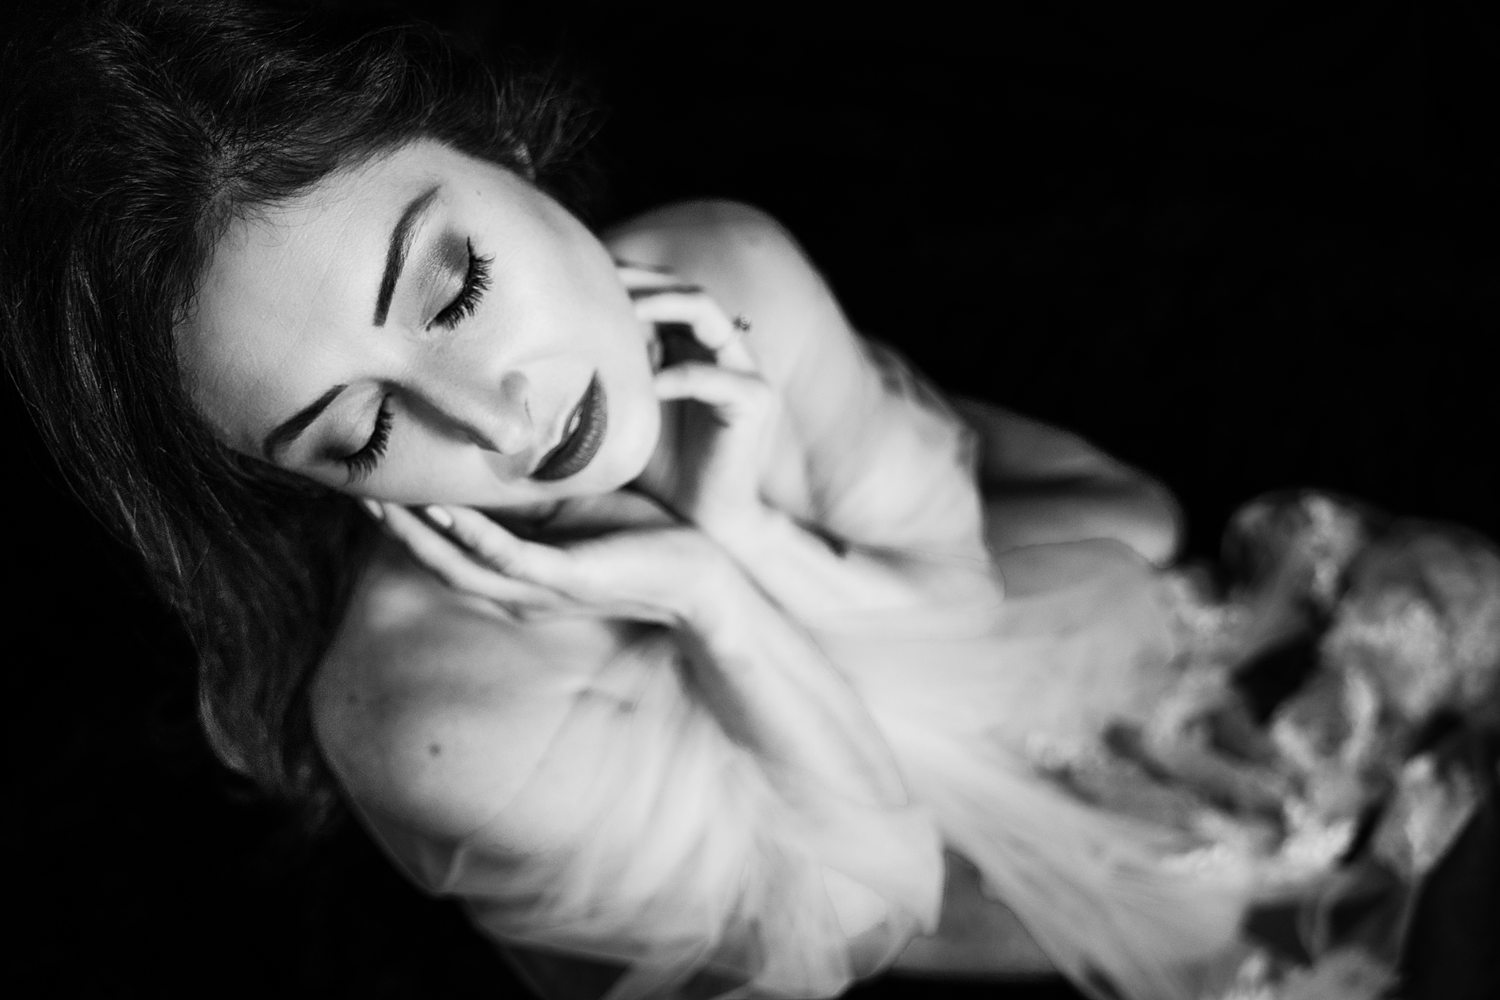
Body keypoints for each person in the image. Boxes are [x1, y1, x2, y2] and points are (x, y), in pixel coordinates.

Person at [5, 3, 1492, 999]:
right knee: (1212, 902)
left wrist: (747, 531)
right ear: (299, 481)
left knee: (1145, 542)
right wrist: (712, 603)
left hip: (944, 618)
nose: (497, 413)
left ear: (507, 143)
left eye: (455, 283)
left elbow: (965, 592)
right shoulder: (434, 714)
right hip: (850, 845)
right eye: (363, 424)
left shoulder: (719, 266)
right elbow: (879, 902)